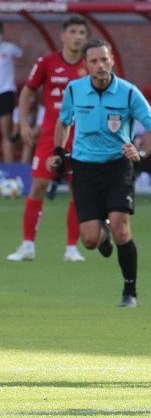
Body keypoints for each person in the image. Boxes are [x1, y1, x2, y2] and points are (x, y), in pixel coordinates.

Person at [48, 39, 151, 308]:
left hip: (117, 166)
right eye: (94, 61)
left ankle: (130, 292)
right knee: (89, 240)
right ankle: (103, 235)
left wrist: (141, 153)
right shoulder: (75, 90)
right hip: (84, 168)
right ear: (86, 65)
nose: (100, 66)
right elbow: (64, 122)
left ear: (112, 60)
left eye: (104, 60)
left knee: (122, 231)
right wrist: (57, 151)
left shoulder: (128, 92)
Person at [7, 15, 89, 263]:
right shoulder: (47, 62)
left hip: (82, 137)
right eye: (73, 32)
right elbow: (27, 93)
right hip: (49, 136)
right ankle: (27, 245)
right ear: (63, 36)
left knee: (78, 191)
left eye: (82, 33)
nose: (77, 37)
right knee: (38, 186)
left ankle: (72, 248)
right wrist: (23, 124)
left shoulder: (91, 65)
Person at [0, 20, 23, 164]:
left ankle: (9, 170)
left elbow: (25, 58)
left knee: (6, 133)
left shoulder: (9, 48)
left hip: (5, 93)